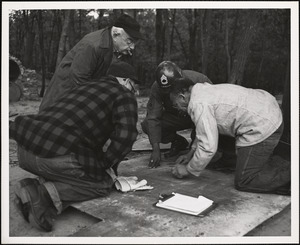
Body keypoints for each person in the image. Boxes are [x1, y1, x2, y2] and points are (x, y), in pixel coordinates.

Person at [10, 61, 140, 232]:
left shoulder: (84, 87)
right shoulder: (123, 93)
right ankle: (43, 194)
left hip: (26, 148)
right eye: (134, 86)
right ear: (124, 80)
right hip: (53, 154)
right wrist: (105, 165)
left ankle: (30, 187)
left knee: (83, 162)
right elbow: (126, 136)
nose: (135, 92)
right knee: (102, 183)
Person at [169, 78, 290, 195]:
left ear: (182, 97)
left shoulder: (198, 104)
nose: (178, 108)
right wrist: (190, 154)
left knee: (244, 181)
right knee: (221, 132)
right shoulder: (202, 90)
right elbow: (204, 132)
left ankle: (292, 175)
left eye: (176, 104)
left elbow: (208, 147)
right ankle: (259, 162)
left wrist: (189, 169)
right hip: (268, 110)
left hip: (264, 124)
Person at [39, 14, 143, 112]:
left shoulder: (112, 46)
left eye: (134, 43)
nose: (132, 47)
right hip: (63, 96)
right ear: (116, 34)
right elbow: (79, 78)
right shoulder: (93, 45)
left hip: (77, 97)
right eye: (129, 41)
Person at [141, 61, 213, 168]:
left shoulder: (199, 80)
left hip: (199, 116)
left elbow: (212, 113)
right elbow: (153, 117)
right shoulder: (156, 87)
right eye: (166, 90)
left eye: (172, 88)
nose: (170, 93)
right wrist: (156, 149)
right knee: (147, 124)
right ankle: (178, 141)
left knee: (202, 150)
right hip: (177, 117)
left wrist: (192, 152)